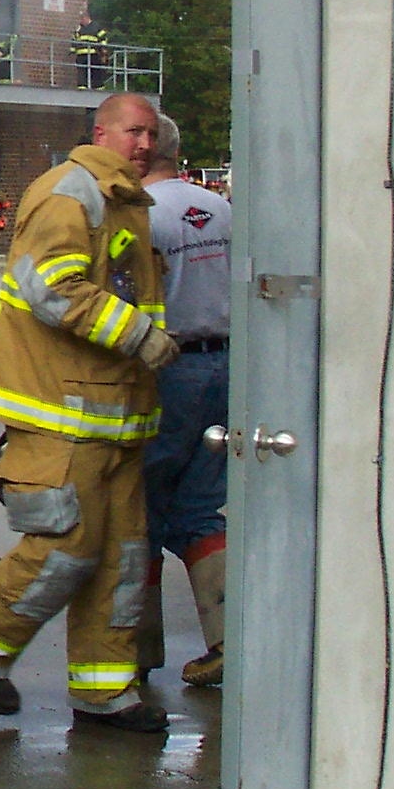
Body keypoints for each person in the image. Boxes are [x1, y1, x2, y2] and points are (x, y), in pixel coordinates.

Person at [0, 91, 178, 736]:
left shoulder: (125, 202)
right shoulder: (70, 194)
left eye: (151, 134)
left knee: (122, 558)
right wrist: (139, 336)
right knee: (65, 548)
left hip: (114, 422)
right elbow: (50, 285)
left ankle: (104, 692)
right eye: (133, 131)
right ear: (100, 132)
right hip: (62, 418)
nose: (145, 144)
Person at [136, 111, 232, 689]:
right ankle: (226, 639)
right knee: (200, 508)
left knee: (140, 508)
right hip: (225, 366)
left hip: (169, 369)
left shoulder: (142, 215)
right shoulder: (219, 209)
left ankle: (134, 653)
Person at [71, 12, 111, 89]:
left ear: (87, 18)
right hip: (81, 54)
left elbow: (103, 38)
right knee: (82, 71)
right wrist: (73, 49)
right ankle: (82, 86)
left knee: (95, 70)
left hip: (93, 53)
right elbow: (74, 39)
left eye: (82, 19)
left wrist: (102, 48)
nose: (81, 21)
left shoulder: (96, 27)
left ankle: (98, 86)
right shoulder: (79, 29)